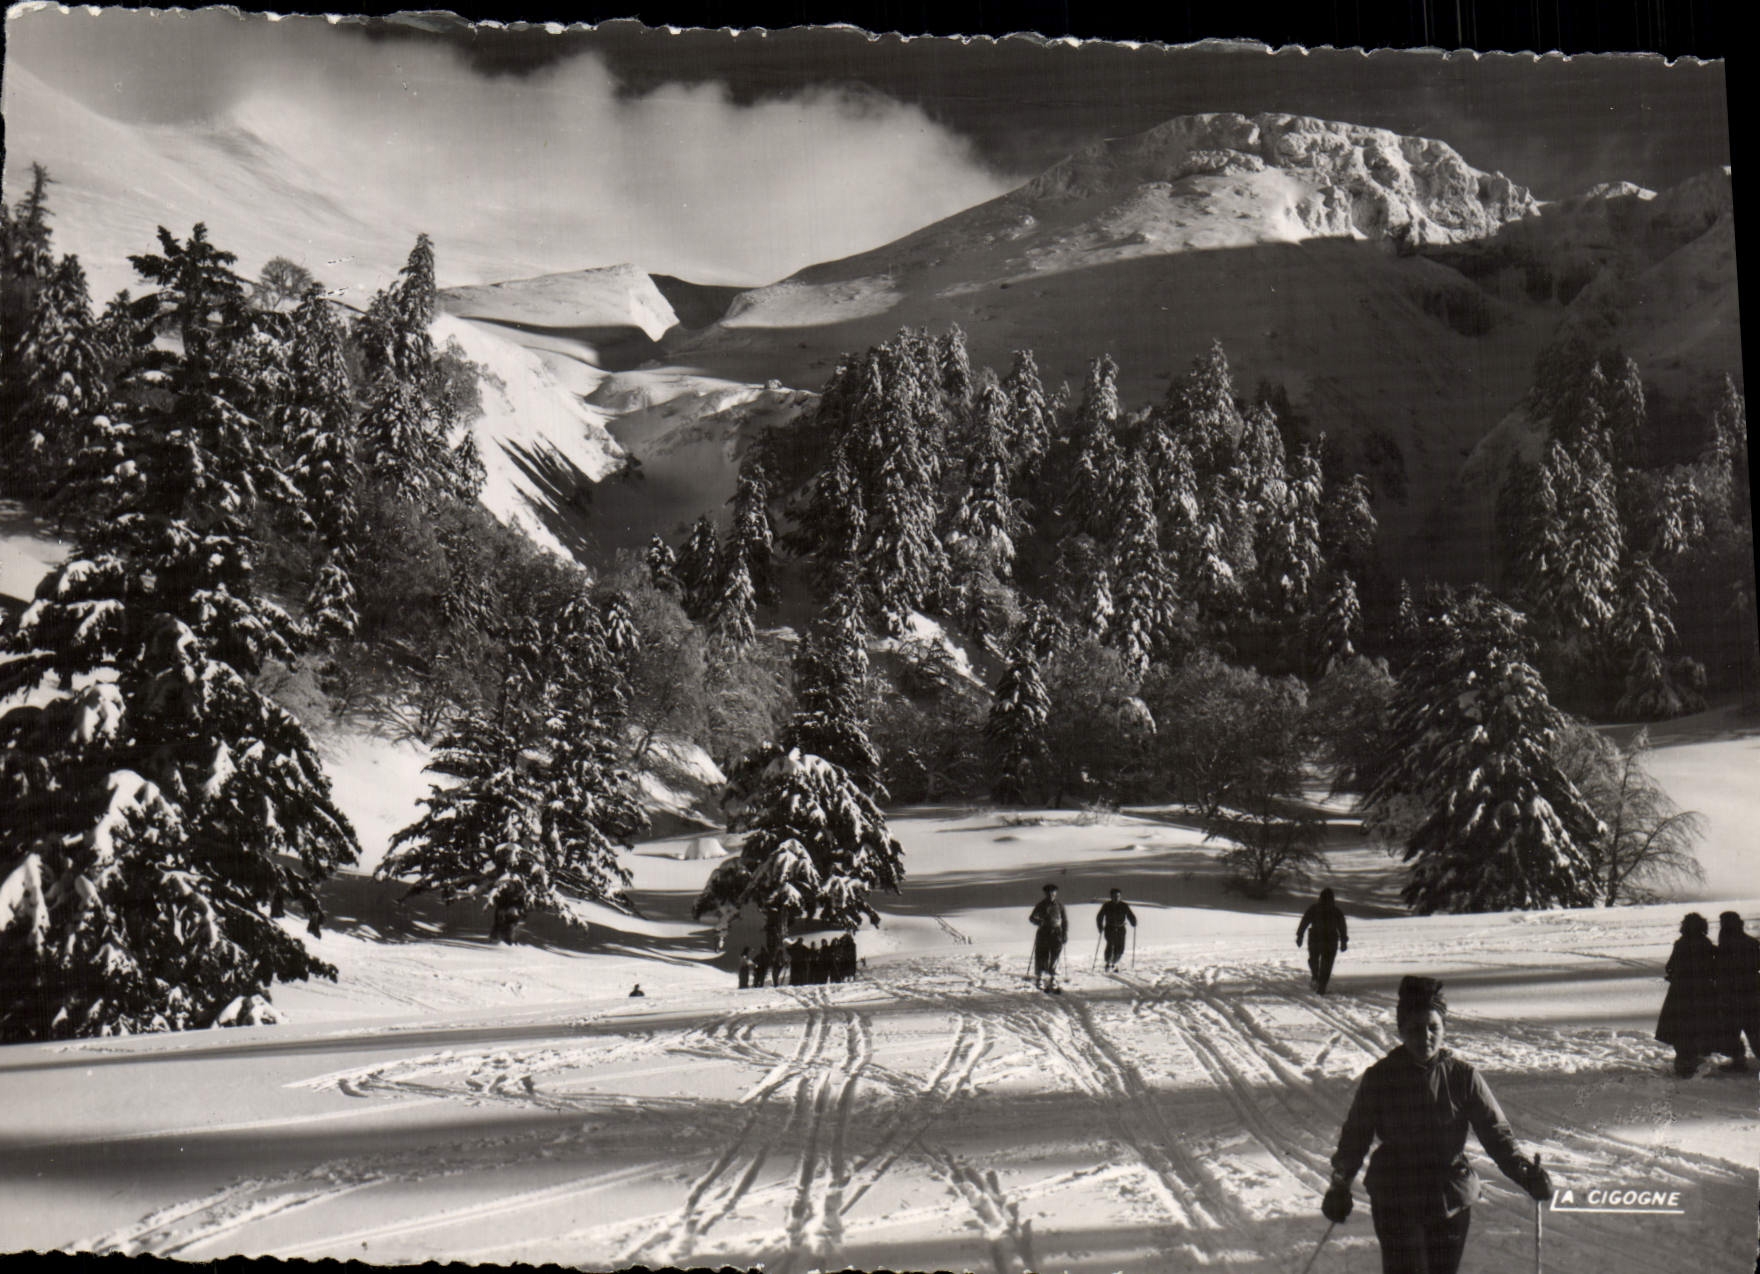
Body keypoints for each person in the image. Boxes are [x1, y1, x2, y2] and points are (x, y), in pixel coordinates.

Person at [1322, 976, 1551, 1274]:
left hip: (1450, 1197)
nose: (1426, 1036)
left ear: (1444, 1028)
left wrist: (1525, 1173)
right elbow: (1356, 1136)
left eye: (1433, 1027)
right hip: (1396, 1196)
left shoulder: (1462, 1077)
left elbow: (1496, 1133)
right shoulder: (1380, 1077)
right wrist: (1340, 1184)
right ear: (1401, 1030)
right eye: (1415, 1028)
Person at [1656, 912, 1722, 1076]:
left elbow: (1670, 966)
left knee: (1680, 1026)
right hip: (1703, 992)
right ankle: (1694, 1060)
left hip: (1680, 992)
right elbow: (1714, 967)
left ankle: (1683, 1062)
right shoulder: (1705, 943)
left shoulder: (1681, 943)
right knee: (1700, 1025)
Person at [1717, 913, 1760, 1072]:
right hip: (1752, 992)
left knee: (1732, 1030)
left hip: (1731, 994)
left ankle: (1739, 1060)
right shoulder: (1751, 942)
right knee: (1754, 1029)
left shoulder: (1725, 945)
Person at [1297, 887, 1350, 995]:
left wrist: (1300, 935)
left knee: (1314, 960)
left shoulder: (1314, 909)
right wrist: (1343, 941)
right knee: (1327, 964)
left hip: (1315, 938)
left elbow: (1304, 922)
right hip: (1330, 940)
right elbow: (1342, 927)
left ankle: (1316, 978)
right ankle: (1322, 985)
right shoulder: (1336, 911)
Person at [1029, 883, 1069, 990]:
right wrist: (1039, 922)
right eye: (1049, 893)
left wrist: (1065, 933)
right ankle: (1040, 978)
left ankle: (1053, 978)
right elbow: (1032, 918)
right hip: (1044, 932)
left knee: (1055, 955)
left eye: (1053, 892)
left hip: (1057, 932)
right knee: (1042, 954)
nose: (1051, 894)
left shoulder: (1060, 905)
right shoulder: (1041, 905)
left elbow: (1064, 921)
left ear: (1056, 893)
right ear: (1045, 893)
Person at [1096, 888, 1138, 972]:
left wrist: (1133, 921)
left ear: (1120, 896)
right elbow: (1099, 916)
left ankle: (1114, 963)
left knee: (1120, 948)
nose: (1116, 898)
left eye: (1118, 896)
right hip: (1110, 928)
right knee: (1111, 945)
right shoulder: (1107, 905)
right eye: (1114, 896)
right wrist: (1100, 926)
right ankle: (1108, 963)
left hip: (1121, 929)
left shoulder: (1124, 905)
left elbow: (1130, 914)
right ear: (1111, 897)